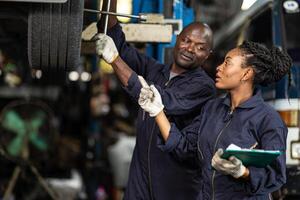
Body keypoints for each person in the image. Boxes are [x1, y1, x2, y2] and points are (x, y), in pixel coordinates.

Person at [139, 41, 292, 199]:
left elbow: (276, 175)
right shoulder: (212, 109)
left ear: (246, 74)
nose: (219, 67)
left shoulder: (268, 119)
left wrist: (243, 172)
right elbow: (185, 148)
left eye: (227, 63)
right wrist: (157, 111)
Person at [94, 0, 216, 199]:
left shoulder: (203, 87)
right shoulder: (156, 70)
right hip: (140, 179)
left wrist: (114, 60)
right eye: (186, 40)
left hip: (175, 188)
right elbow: (117, 41)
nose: (190, 48)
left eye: (200, 47)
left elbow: (156, 99)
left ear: (207, 55)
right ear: (178, 39)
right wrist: (110, 4)